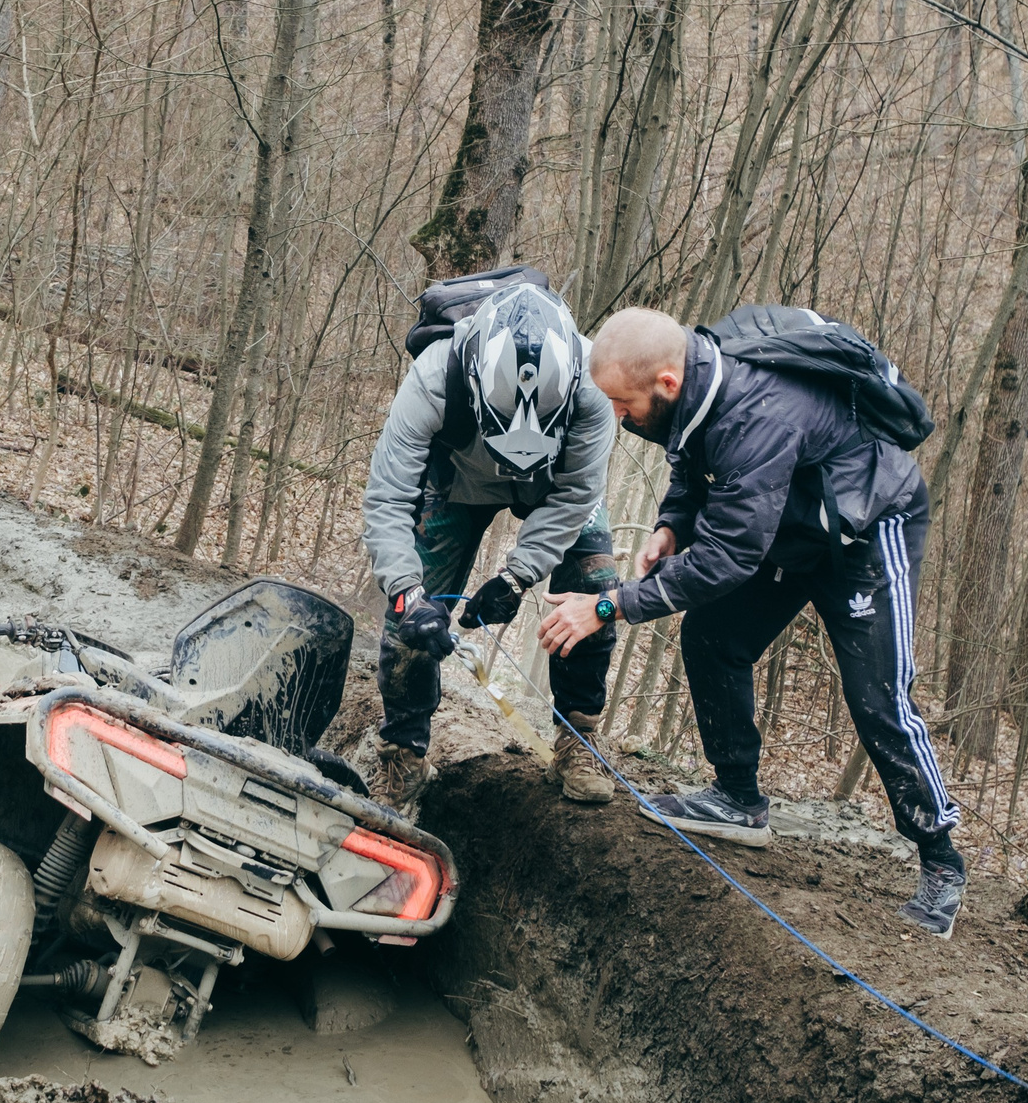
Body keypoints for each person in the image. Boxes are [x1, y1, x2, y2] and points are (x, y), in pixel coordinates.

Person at [534, 306, 967, 939]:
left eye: (624, 405)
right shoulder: (698, 380)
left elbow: (727, 558)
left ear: (666, 382)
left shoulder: (758, 414)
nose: (619, 419)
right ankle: (737, 798)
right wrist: (672, 523)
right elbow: (693, 460)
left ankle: (941, 859)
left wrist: (608, 605)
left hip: (868, 529)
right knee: (713, 637)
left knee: (878, 697)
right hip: (787, 525)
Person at [361, 282, 620, 813]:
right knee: (410, 617)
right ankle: (403, 753)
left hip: (553, 487)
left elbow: (577, 495)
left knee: (596, 584)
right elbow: (388, 498)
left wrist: (517, 576)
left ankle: (579, 739)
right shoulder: (434, 378)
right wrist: (407, 592)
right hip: (457, 481)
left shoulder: (595, 384)